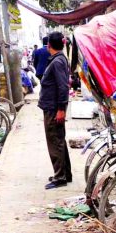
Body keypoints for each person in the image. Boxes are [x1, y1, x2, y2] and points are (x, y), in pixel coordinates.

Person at [38, 32, 71, 189]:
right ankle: (65, 174)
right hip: (52, 106)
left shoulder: (58, 61)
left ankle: (60, 177)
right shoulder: (59, 59)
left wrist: (60, 109)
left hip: (53, 108)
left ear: (48, 45)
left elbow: (63, 86)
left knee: (55, 141)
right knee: (59, 140)